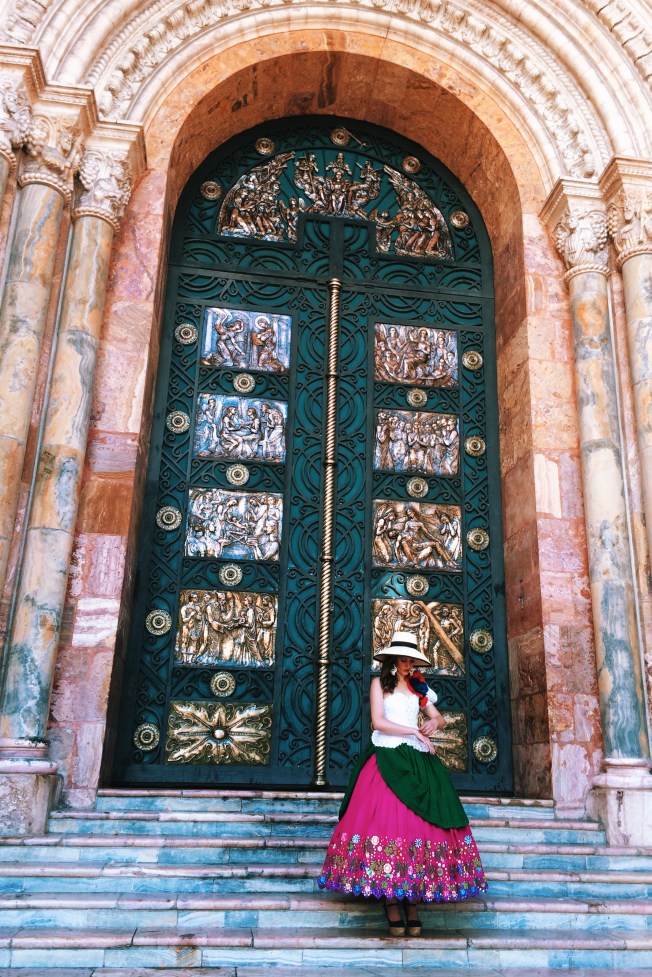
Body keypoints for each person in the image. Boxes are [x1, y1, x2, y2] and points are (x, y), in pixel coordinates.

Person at [317, 631, 486, 936]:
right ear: (393, 661)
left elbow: (438, 718)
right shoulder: (379, 684)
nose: (409, 664)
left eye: (412, 660)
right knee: (388, 824)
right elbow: (378, 722)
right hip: (387, 755)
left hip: (417, 758)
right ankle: (391, 900)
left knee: (418, 824)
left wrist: (434, 723)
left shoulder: (419, 686)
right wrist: (412, 732)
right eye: (404, 659)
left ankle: (410, 898)